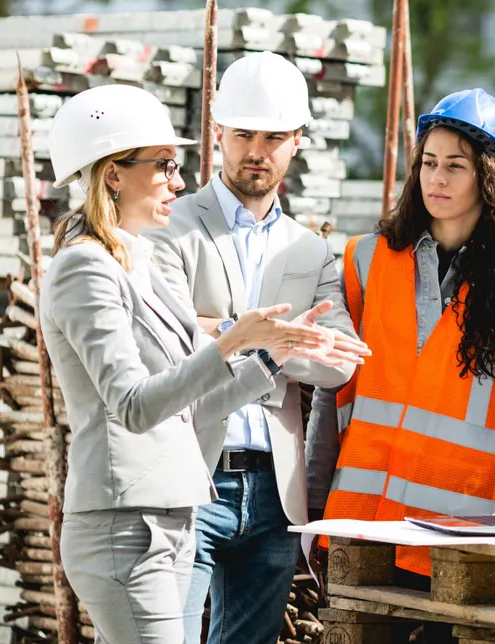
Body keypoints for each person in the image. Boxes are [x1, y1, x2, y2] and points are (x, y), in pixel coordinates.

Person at [40, 84, 362, 644]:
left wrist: (268, 357)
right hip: (126, 523)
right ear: (113, 173)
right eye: (164, 164)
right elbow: (136, 407)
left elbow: (183, 408)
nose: (180, 179)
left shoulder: (134, 260)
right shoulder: (84, 268)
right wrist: (230, 339)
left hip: (165, 517)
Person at [147, 52, 367, 644]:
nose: (256, 150)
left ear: (297, 142)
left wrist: (223, 331)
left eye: (273, 137)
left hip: (272, 489)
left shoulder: (313, 251)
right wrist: (279, 339)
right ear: (218, 134)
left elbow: (337, 363)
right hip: (188, 473)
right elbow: (163, 347)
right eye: (243, 134)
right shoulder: (170, 227)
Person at [315, 88, 495, 578]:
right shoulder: (366, 259)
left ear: (489, 176)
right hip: (361, 522)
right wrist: (309, 499)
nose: (436, 177)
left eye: (455, 165)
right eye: (428, 162)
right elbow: (334, 392)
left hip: (458, 525)